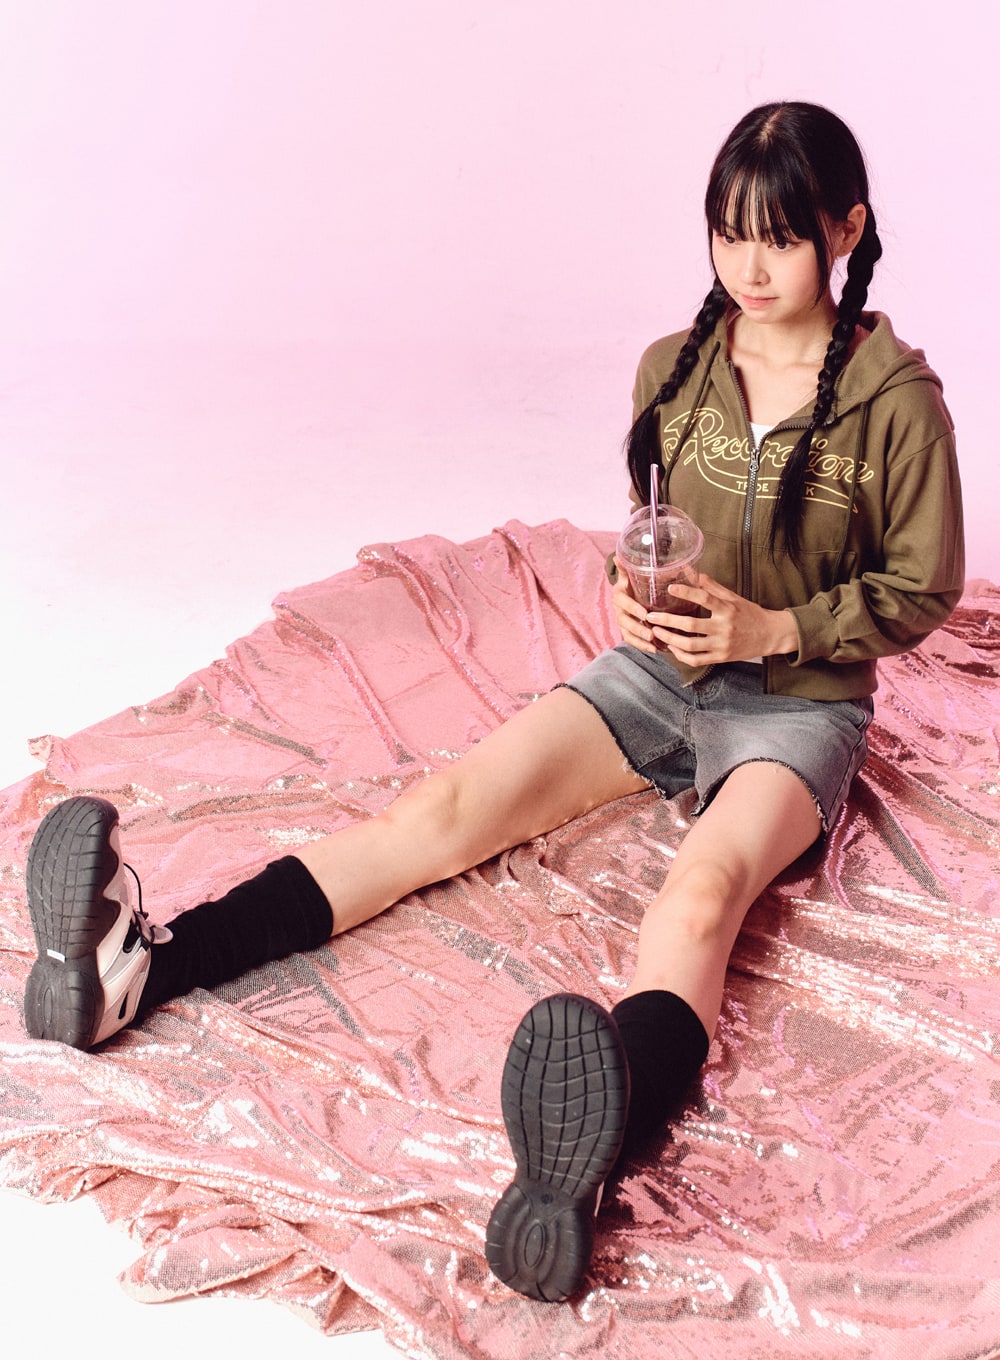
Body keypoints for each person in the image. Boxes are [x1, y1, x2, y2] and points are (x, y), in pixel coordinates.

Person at [22, 102, 963, 1304]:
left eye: (779, 237)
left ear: (845, 230)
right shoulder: (676, 367)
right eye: (728, 234)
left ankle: (574, 1173)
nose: (750, 265)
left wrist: (773, 630)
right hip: (658, 674)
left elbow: (922, 586)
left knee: (701, 894)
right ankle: (141, 967)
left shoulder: (894, 402)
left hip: (798, 707)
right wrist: (630, 592)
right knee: (442, 810)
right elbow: (651, 532)